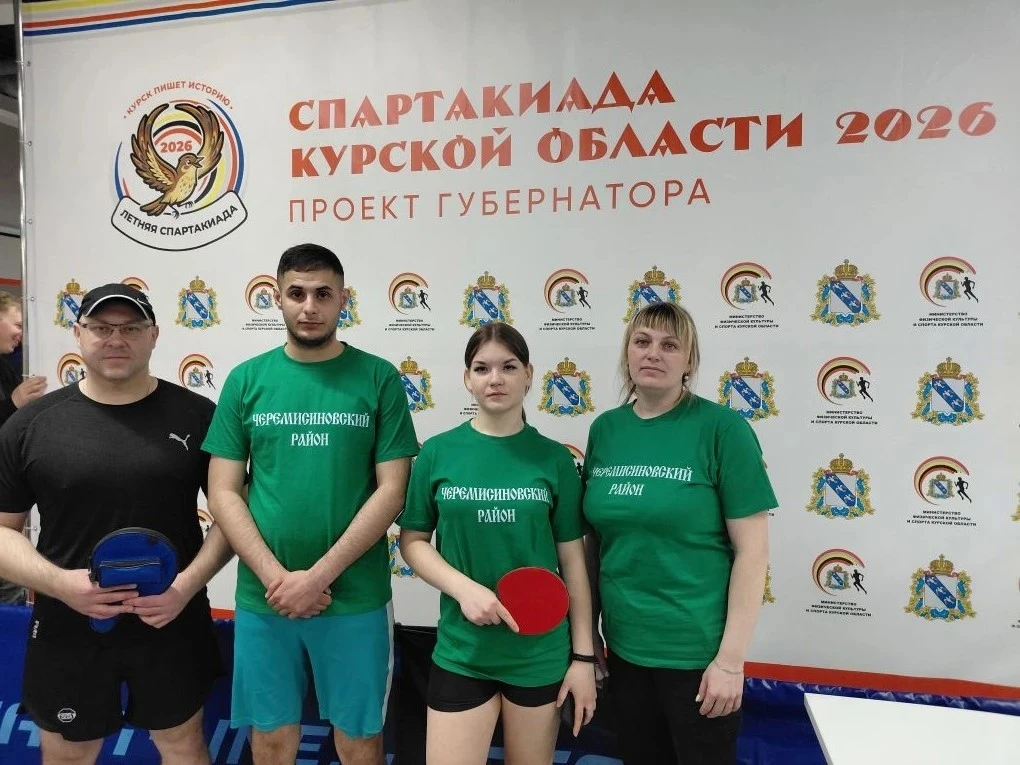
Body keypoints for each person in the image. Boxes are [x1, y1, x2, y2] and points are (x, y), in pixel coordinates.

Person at [0, 283, 233, 765]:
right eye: (101, 328)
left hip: (171, 617)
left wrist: (186, 586)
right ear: (78, 333)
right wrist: (61, 585)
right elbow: (3, 532)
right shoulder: (29, 425)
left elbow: (233, 520)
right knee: (69, 756)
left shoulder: (199, 416)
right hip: (69, 621)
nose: (115, 340)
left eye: (131, 328)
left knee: (184, 748)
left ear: (154, 335)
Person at [203, 243, 419, 765]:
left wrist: (316, 578)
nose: (309, 306)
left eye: (323, 294)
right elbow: (224, 491)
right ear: (277, 298)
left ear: (343, 299)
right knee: (271, 741)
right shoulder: (246, 380)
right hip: (265, 597)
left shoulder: (378, 377)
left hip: (354, 597)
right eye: (296, 293)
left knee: (358, 742)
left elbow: (392, 490)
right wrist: (279, 579)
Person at [583, 302, 776, 765]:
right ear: (627, 353)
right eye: (642, 341)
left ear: (689, 361)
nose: (653, 353)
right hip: (624, 651)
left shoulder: (723, 429)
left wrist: (730, 661)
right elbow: (594, 546)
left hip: (700, 661)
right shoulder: (605, 430)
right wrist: (587, 639)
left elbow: (753, 554)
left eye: (670, 345)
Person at [398, 323, 597, 765]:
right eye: (482, 368)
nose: (495, 379)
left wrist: (583, 658)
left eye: (508, 367)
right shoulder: (437, 452)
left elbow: (574, 565)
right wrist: (464, 589)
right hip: (463, 652)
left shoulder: (554, 459)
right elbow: (413, 541)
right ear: (467, 378)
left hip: (539, 655)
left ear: (529, 375)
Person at [0, 291, 47, 606]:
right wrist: (13, 404)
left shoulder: (6, 366)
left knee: (10, 588)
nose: (21, 334)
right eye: (17, 324)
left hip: (6, 495)